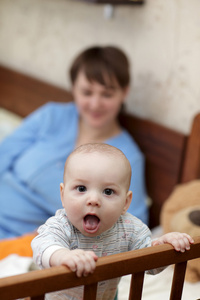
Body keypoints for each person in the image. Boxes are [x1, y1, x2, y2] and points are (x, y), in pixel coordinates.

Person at [0, 45, 147, 239]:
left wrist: (50, 239)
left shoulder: (127, 157)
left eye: (107, 94)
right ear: (73, 88)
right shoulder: (51, 115)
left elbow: (130, 229)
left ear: (124, 93)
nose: (95, 104)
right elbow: (4, 153)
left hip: (24, 242)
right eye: (87, 92)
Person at [31, 143, 194, 300]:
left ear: (125, 202)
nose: (93, 200)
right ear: (63, 195)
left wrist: (164, 246)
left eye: (108, 191)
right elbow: (42, 245)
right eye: (81, 189)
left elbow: (149, 264)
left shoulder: (130, 229)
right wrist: (62, 256)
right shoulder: (61, 225)